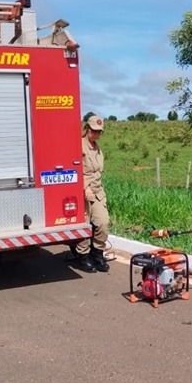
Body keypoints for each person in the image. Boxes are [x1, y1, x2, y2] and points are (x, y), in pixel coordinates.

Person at [75, 115, 110, 273]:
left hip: (97, 190)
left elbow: (98, 172)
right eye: (94, 131)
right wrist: (84, 187)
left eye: (99, 132)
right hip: (82, 190)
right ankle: (83, 255)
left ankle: (97, 253)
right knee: (85, 223)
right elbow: (75, 168)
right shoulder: (79, 145)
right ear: (87, 129)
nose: (96, 134)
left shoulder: (98, 148)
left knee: (103, 222)